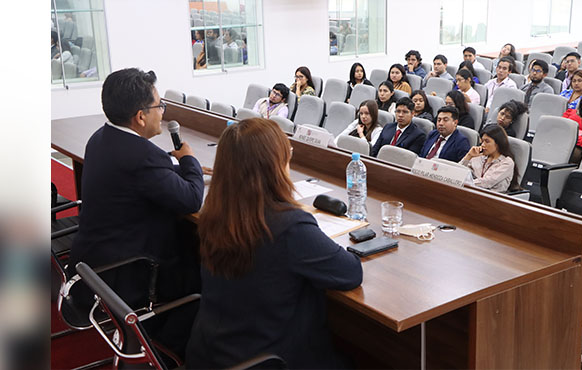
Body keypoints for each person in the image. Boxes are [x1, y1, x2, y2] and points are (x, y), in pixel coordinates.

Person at [187, 118, 362, 369]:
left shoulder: (214, 210)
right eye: (287, 154)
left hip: (211, 353)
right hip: (268, 360)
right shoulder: (290, 225)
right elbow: (350, 272)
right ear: (274, 164)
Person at [69, 68, 206, 358]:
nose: (163, 113)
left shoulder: (100, 138)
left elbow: (145, 176)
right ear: (141, 117)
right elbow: (193, 199)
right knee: (206, 270)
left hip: (94, 260)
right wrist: (190, 160)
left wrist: (173, 167)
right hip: (130, 269)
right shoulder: (145, 157)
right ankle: (172, 349)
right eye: (160, 106)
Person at [459, 124, 518, 193]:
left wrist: (462, 183)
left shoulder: (507, 162)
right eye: (482, 141)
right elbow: (458, 171)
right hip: (471, 192)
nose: (483, 145)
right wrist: (468, 156)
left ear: (498, 143)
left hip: (492, 199)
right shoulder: (478, 156)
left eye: (487, 141)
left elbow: (487, 182)